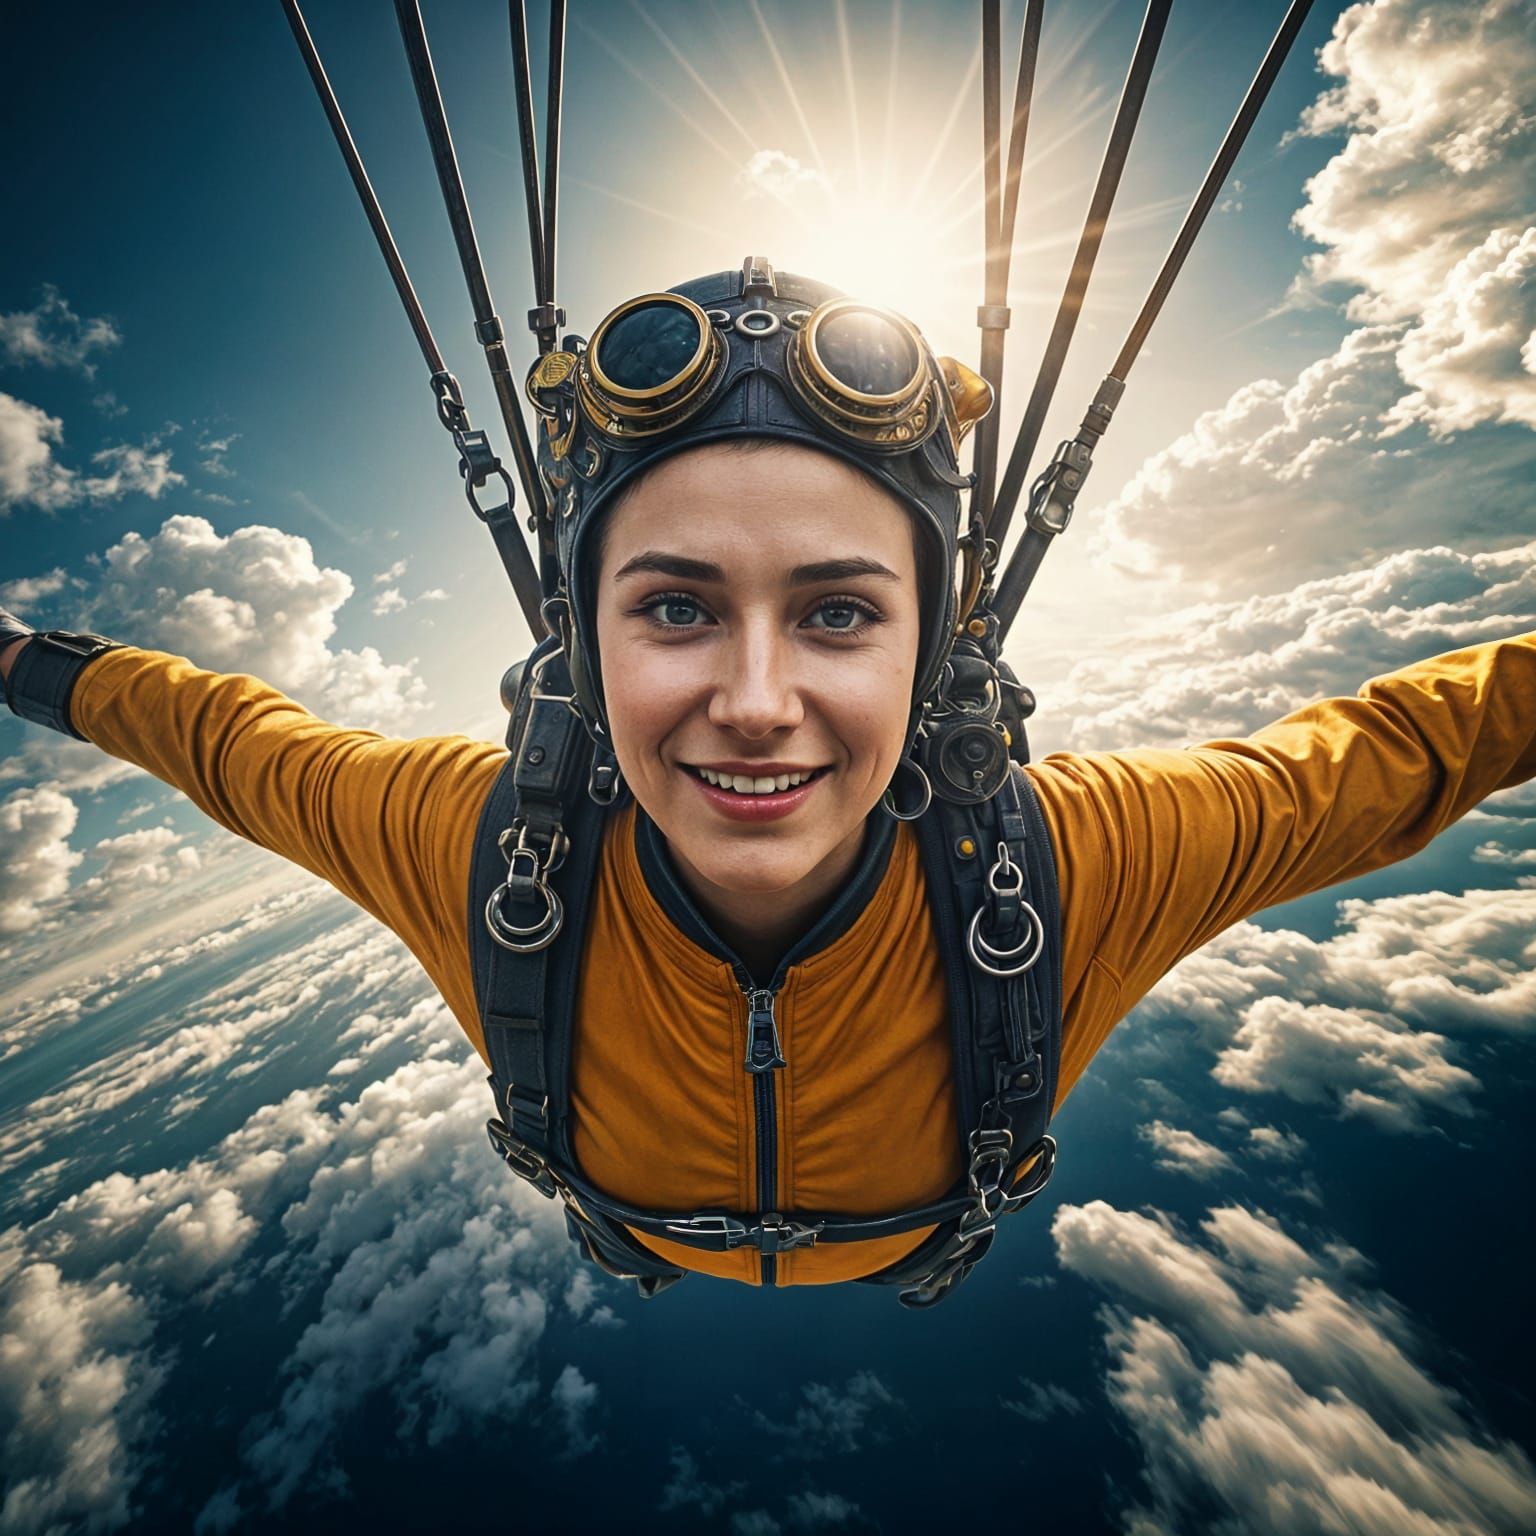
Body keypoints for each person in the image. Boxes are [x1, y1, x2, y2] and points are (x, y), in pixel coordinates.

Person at [4, 259, 1534, 1305]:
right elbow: (231, 739)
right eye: (674, 606)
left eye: (840, 613)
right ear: (580, 644)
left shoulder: (1070, 860)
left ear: (934, 650)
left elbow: (1404, 748)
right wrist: (20, 660)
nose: (753, 703)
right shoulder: (482, 850)